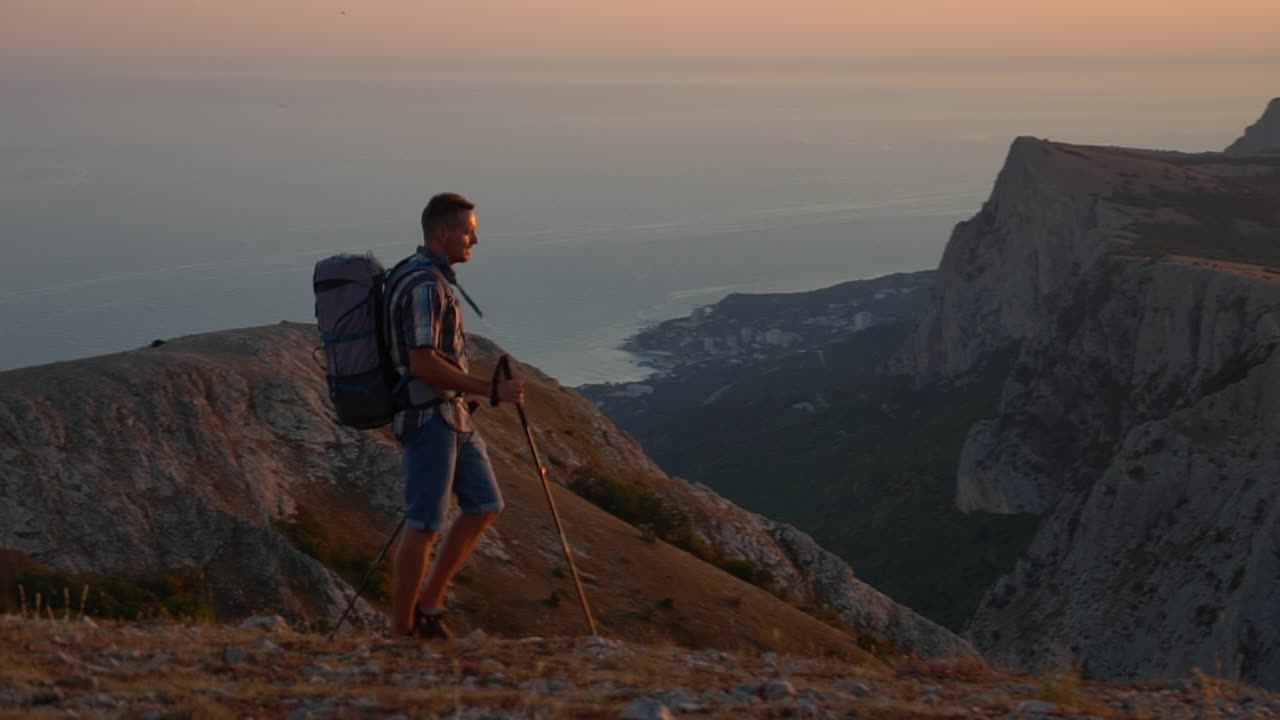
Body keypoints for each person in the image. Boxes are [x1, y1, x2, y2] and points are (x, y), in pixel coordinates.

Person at [385, 192, 524, 640]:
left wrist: (468, 395)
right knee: (424, 522)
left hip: (450, 414)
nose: (475, 240)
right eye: (468, 230)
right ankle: (403, 631)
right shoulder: (425, 286)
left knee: (485, 503)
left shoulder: (423, 277)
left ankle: (429, 604)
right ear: (442, 233)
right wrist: (491, 389)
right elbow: (422, 362)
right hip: (429, 418)